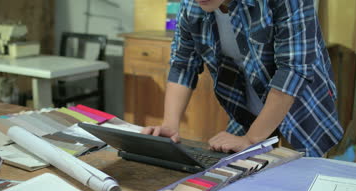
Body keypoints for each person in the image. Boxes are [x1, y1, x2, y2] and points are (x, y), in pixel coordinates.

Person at [141, 0, 343, 157]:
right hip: (248, 114)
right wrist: (169, 126)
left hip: (302, 111)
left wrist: (251, 139)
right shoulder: (192, 7)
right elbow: (183, 64)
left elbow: (292, 70)